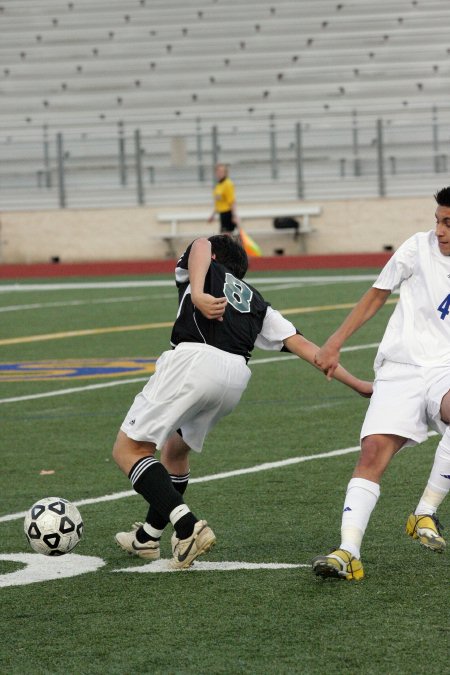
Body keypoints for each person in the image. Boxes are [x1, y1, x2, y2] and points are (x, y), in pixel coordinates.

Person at [113, 235, 372, 570]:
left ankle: (187, 526)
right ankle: (148, 537)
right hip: (234, 376)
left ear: (218, 258)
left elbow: (200, 243)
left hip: (195, 360)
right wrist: (357, 384)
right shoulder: (256, 301)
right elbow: (308, 348)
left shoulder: (206, 269)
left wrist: (199, 293)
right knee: (176, 451)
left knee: (128, 450)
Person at [312, 186, 450, 581]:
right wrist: (335, 342)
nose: (439, 230)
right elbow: (376, 296)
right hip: (401, 367)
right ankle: (347, 551)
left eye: (448, 223)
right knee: (372, 455)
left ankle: (425, 511)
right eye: (437, 220)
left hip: (444, 369)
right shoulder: (416, 247)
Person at [208, 163, 239, 234]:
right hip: (222, 214)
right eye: (218, 171)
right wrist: (213, 215)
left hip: (228, 213)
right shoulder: (219, 185)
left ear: (225, 173)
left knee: (226, 236)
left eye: (221, 171)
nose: (219, 173)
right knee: (224, 236)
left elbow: (232, 201)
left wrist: (234, 216)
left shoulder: (228, 184)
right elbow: (218, 203)